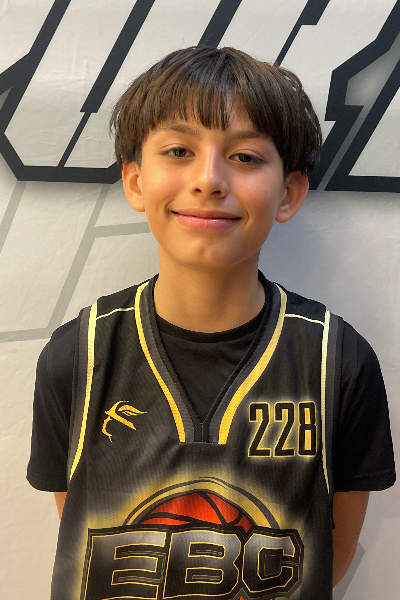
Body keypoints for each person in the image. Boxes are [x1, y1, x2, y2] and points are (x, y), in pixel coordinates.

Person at [27, 46, 395, 600]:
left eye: (245, 157)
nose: (209, 179)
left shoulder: (337, 361)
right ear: (136, 182)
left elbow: (327, 560)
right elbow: (79, 533)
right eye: (179, 150)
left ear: (289, 193)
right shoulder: (78, 355)